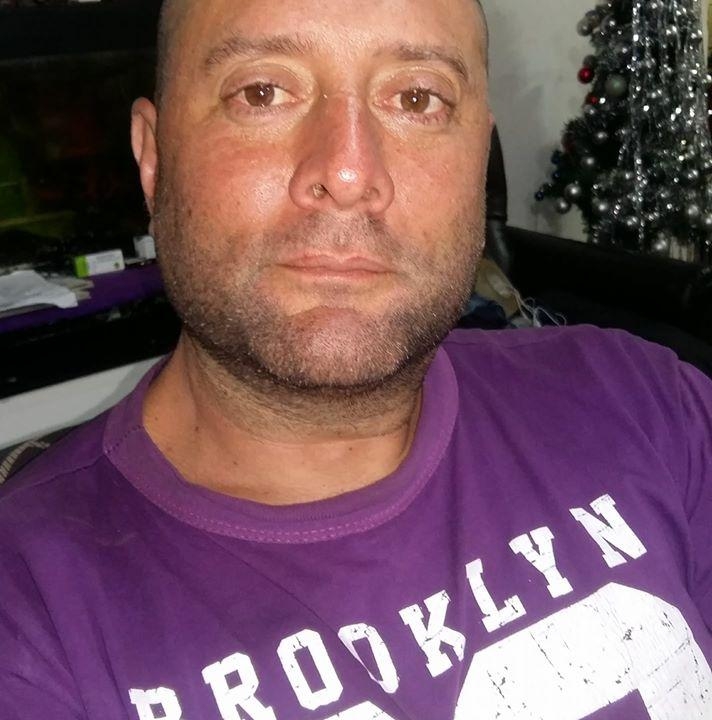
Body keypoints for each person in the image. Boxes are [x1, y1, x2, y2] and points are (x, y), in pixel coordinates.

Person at [1, 0, 711, 717]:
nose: (346, 171)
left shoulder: (643, 403)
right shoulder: (29, 616)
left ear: (477, 158)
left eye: (417, 99)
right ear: (154, 157)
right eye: (262, 93)